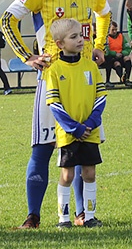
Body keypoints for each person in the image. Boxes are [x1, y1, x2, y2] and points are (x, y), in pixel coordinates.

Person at [1, 0, 111, 229]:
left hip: (85, 81)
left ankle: (82, 215)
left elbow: (105, 14)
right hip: (52, 78)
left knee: (82, 147)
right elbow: (7, 20)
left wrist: (100, 45)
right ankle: (33, 215)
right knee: (44, 146)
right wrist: (27, 56)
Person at [45, 18, 107, 228]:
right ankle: (63, 218)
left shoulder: (90, 66)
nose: (80, 40)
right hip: (69, 133)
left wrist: (90, 122)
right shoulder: (54, 70)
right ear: (60, 43)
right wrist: (75, 128)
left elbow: (101, 97)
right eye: (74, 37)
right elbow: (54, 104)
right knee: (67, 173)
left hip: (90, 130)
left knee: (89, 172)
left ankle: (89, 216)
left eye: (81, 35)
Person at [103, 21, 132, 87]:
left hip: (120, 55)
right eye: (112, 30)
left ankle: (127, 78)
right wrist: (115, 53)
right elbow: (106, 51)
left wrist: (122, 53)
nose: (114, 31)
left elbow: (128, 48)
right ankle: (123, 79)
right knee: (117, 63)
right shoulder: (106, 38)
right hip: (111, 58)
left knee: (127, 58)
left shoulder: (121, 36)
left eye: (116, 29)